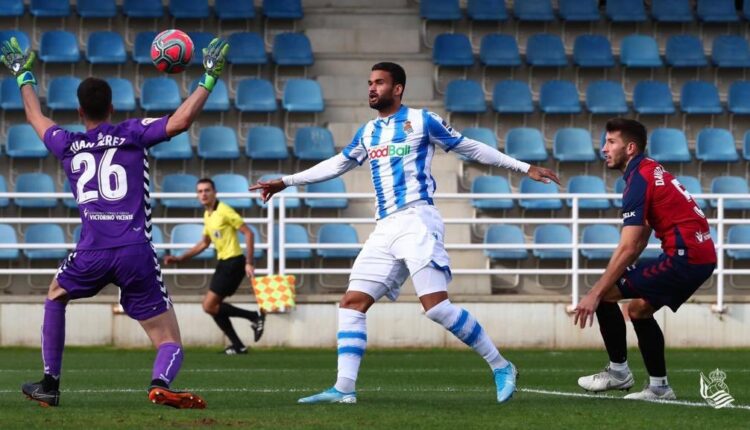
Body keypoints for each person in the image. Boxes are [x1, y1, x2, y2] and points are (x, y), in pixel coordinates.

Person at [251, 62, 559, 404]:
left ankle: (502, 366)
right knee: (352, 303)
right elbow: (338, 163)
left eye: (379, 82)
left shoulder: (422, 121)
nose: (371, 88)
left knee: (436, 307)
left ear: (397, 88)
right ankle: (344, 388)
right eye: (369, 82)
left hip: (417, 221)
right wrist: (286, 182)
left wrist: (525, 167)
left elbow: (469, 147)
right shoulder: (368, 132)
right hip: (385, 228)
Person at [1, 36, 230, 408]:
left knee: (56, 293)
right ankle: (160, 381)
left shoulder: (67, 143)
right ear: (112, 107)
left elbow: (34, 116)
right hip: (135, 252)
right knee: (169, 340)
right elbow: (181, 121)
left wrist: (24, 75)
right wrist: (208, 76)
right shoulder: (132, 133)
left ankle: (50, 383)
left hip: (91, 251)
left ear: (79, 112)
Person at [574, 118, 717, 400]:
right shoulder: (650, 171)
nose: (604, 148)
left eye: (611, 142)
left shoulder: (639, 179)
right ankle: (659, 388)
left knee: (604, 296)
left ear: (630, 148)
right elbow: (640, 239)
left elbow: (629, 245)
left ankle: (618, 372)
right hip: (699, 255)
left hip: (684, 257)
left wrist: (595, 292)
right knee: (639, 310)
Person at [163, 178, 265, 355]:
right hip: (224, 262)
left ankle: (254, 317)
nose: (203, 194)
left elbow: (248, 233)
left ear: (215, 192)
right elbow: (204, 243)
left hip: (234, 262)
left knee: (209, 306)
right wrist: (180, 258)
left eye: (207, 190)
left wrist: (249, 262)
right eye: (200, 191)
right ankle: (239, 345)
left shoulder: (224, 210)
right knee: (212, 307)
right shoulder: (208, 214)